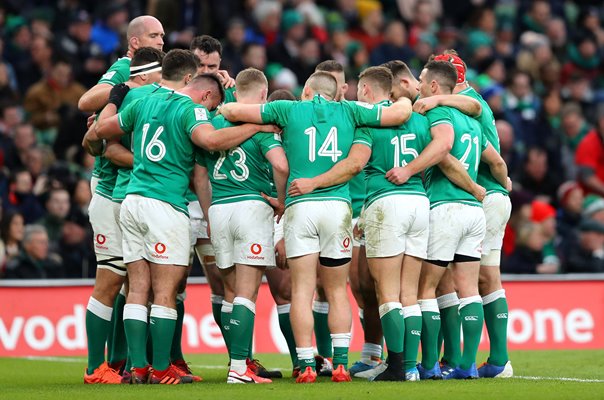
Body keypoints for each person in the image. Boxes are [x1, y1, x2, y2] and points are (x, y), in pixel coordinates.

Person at [220, 71, 413, 383]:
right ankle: (339, 364)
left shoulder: (289, 109)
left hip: (300, 205)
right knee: (338, 289)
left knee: (302, 289)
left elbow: (231, 111)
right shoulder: (350, 109)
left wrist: (262, 123)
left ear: (306, 89)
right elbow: (398, 113)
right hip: (337, 207)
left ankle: (307, 364)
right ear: (336, 91)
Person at [95, 73, 280, 384]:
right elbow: (210, 140)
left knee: (138, 288)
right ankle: (162, 368)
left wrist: (113, 100)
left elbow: (102, 130)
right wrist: (256, 126)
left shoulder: (144, 102)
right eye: (214, 105)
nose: (210, 112)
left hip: (131, 201)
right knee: (166, 292)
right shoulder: (191, 109)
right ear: (207, 95)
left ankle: (137, 368)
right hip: (165, 205)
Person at [287, 66, 430, 381]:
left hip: (382, 203)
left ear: (365, 90)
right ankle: (414, 366)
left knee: (385, 291)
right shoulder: (420, 120)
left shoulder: (362, 122)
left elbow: (354, 164)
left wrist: (313, 182)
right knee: (411, 293)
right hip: (420, 203)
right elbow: (442, 150)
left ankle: (392, 367)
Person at [400, 60, 508, 380]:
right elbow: (495, 159)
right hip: (476, 212)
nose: (418, 85)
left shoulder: (439, 114)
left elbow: (444, 155)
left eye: (421, 80)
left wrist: (412, 167)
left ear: (435, 86)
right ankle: (466, 365)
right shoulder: (473, 118)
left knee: (427, 287)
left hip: (448, 205)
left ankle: (431, 364)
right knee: (469, 288)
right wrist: (502, 183)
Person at [196, 68, 289, 384]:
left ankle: (236, 362)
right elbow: (281, 164)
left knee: (230, 292)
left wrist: (208, 215)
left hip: (219, 209)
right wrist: (281, 200)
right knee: (247, 294)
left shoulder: (212, 125)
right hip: (251, 206)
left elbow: (200, 175)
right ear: (263, 95)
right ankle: (239, 367)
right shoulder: (262, 126)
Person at [81, 46, 164, 385]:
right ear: (144, 72)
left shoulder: (143, 98)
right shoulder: (125, 94)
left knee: (131, 282)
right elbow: (93, 140)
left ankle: (119, 364)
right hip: (110, 198)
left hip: (130, 198)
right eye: (156, 36)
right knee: (110, 279)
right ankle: (93, 369)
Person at [432, 51, 514, 378]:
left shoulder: (462, 103)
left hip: (477, 194)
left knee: (462, 277)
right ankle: (496, 359)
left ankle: (468, 358)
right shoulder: (473, 100)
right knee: (484, 276)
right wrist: (503, 180)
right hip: (492, 194)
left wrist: (494, 184)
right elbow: (494, 158)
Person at [315, 60, 382, 379]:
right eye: (333, 83)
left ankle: (372, 353)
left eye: (342, 83)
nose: (340, 89)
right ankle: (324, 356)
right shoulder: (312, 115)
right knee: (323, 286)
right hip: (327, 207)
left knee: (366, 285)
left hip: (360, 208)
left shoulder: (358, 113)